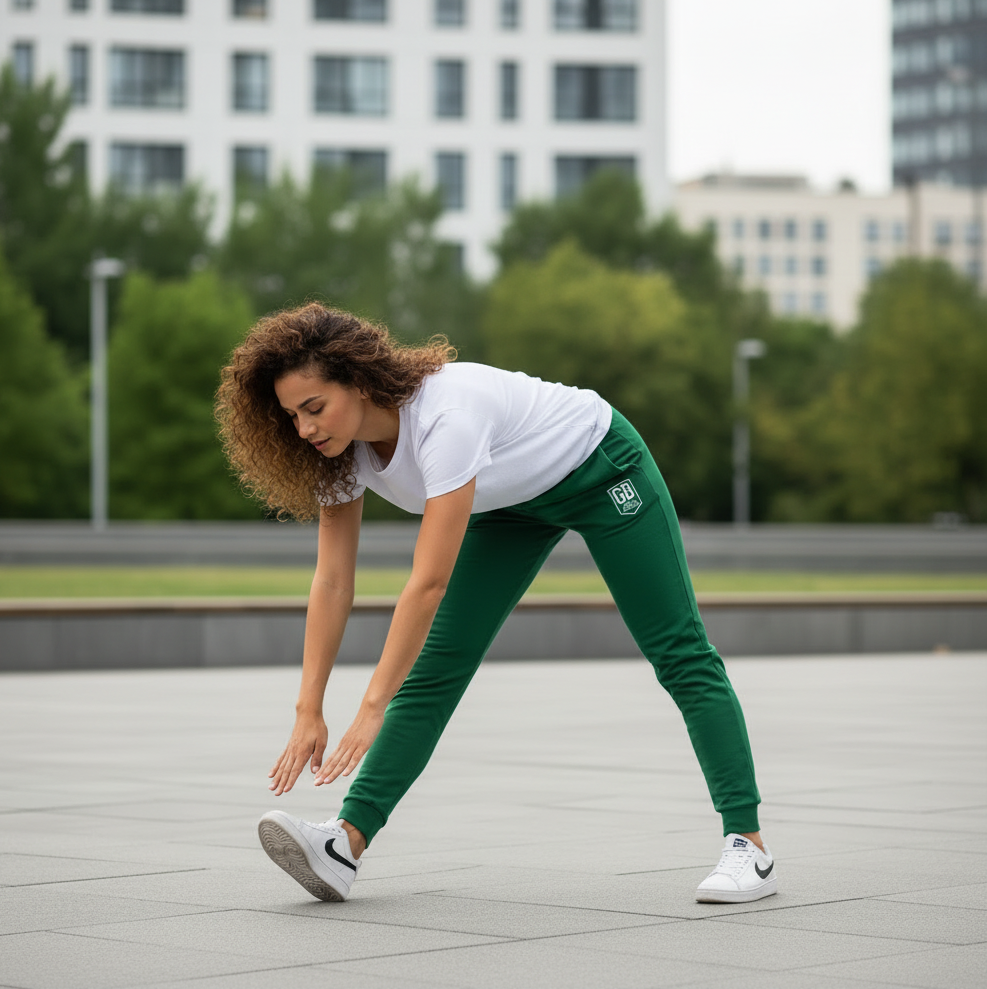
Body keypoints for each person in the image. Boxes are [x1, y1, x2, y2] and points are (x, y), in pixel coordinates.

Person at [216, 303, 777, 906]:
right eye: (292, 416)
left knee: (678, 651)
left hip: (598, 467)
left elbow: (427, 584)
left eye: (314, 408)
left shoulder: (445, 418)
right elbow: (332, 581)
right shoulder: (341, 452)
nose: (304, 429)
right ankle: (343, 846)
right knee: (434, 671)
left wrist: (372, 704)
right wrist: (310, 709)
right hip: (510, 501)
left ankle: (749, 846)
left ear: (357, 382)